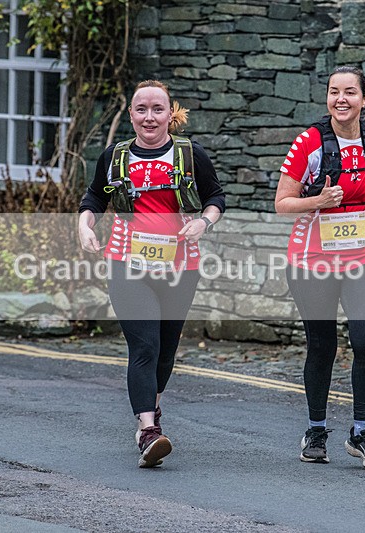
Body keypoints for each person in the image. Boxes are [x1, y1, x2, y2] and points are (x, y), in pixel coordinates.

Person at [78, 80, 225, 468]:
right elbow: (94, 196)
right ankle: (147, 429)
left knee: (165, 349)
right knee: (144, 346)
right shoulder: (116, 156)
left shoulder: (191, 155)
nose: (149, 117)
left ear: (169, 113)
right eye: (141, 109)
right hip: (129, 261)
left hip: (180, 265)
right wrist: (84, 225)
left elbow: (216, 197)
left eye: (157, 109)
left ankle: (152, 414)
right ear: (131, 115)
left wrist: (204, 223)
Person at [274, 66, 365, 470]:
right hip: (312, 259)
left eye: (349, 92)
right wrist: (318, 202)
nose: (340, 99)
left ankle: (362, 432)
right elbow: (282, 203)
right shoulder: (308, 143)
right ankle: (316, 430)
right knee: (323, 344)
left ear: (364, 99)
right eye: (333, 92)